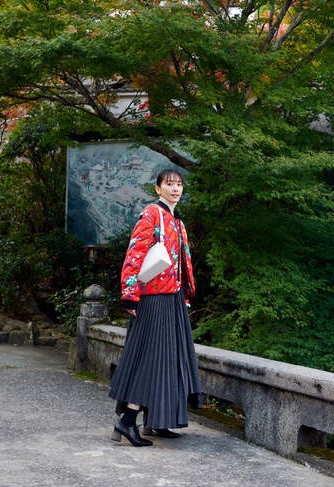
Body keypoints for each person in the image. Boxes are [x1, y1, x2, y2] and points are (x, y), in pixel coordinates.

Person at [109, 168, 202, 447]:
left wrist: (184, 293)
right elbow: (135, 252)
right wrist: (129, 294)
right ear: (158, 188)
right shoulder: (152, 214)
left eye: (179, 184)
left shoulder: (177, 220)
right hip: (152, 298)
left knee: (172, 359)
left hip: (172, 297)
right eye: (169, 184)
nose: (175, 189)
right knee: (151, 358)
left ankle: (155, 421)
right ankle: (127, 421)